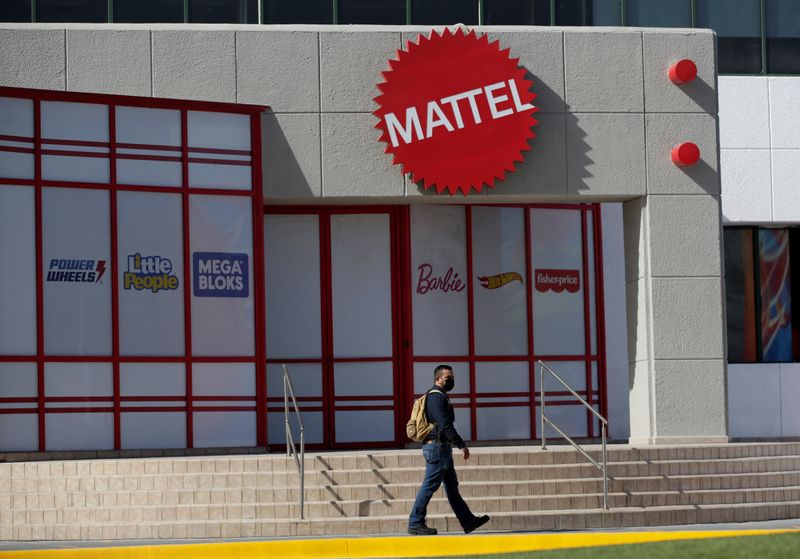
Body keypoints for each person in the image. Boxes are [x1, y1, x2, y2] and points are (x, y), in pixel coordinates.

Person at [407, 364, 490, 536]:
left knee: (452, 487)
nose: (451, 380)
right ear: (438, 379)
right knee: (429, 486)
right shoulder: (436, 398)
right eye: (448, 378)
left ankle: (468, 521)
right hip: (437, 448)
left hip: (442, 448)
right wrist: (461, 444)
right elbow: (445, 425)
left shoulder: (441, 396)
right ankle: (415, 522)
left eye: (452, 377)